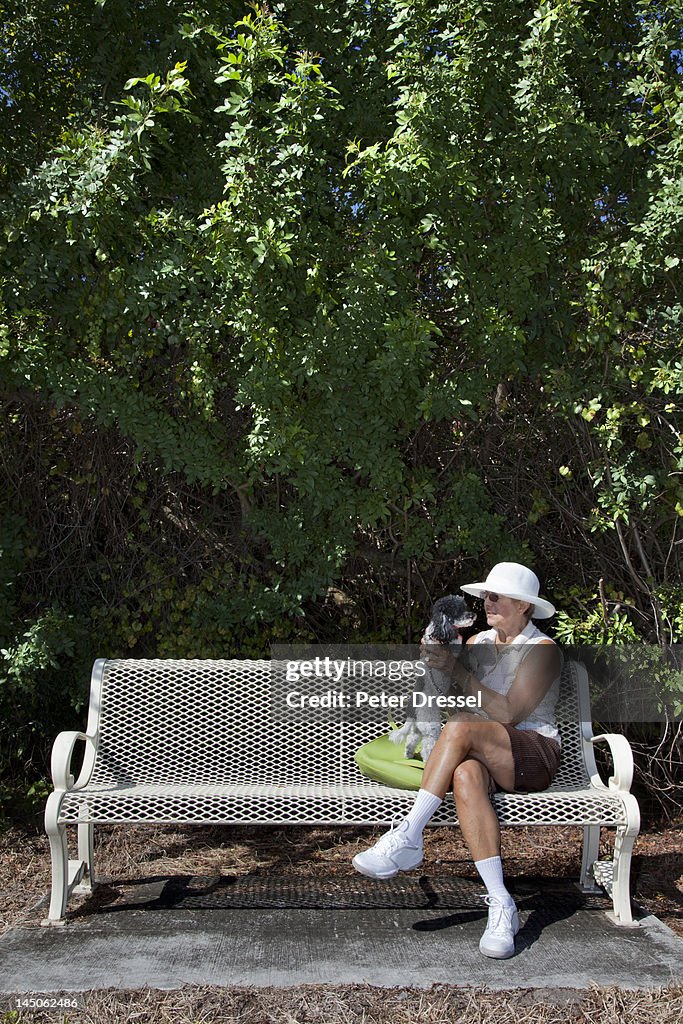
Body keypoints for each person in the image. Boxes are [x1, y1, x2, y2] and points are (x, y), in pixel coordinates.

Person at [352, 562, 562, 960]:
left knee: (464, 726)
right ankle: (502, 904)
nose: (488, 602)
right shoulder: (479, 642)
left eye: (497, 596)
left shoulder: (543, 651)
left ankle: (409, 834)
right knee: (464, 774)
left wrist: (458, 672)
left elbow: (508, 713)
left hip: (533, 753)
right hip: (480, 750)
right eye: (486, 595)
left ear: (523, 607)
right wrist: (436, 662)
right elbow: (449, 697)